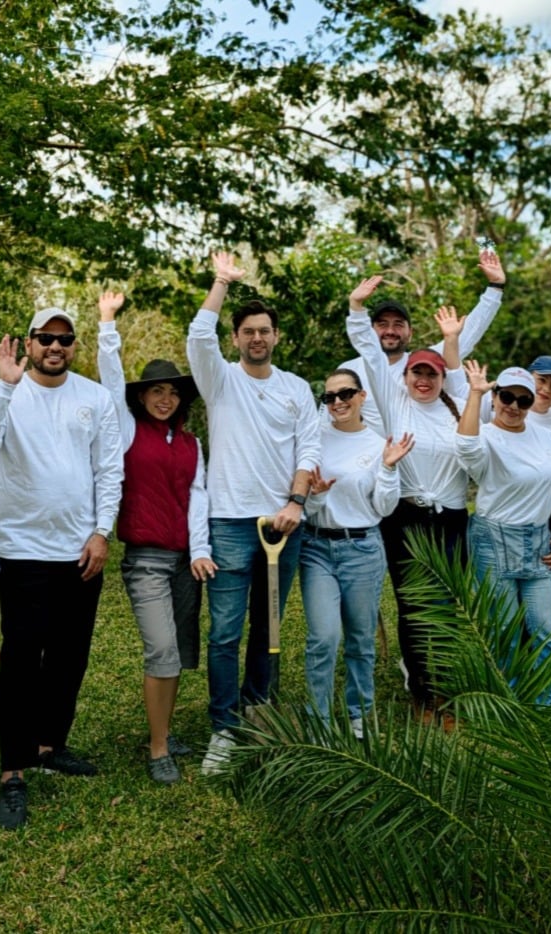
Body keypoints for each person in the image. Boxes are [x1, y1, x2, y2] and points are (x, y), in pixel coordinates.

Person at [0, 307, 123, 829]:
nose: (55, 346)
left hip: (82, 551)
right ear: (28, 343)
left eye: (64, 339)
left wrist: (102, 531)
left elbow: (109, 469)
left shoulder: (94, 398)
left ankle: (51, 745)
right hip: (22, 550)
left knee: (70, 656)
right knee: (22, 659)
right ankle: (13, 771)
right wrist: (5, 388)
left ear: (74, 345)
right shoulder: (3, 394)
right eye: (45, 338)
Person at [187, 251, 321, 775]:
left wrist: (295, 503)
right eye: (248, 331)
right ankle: (223, 727)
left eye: (265, 330)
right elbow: (199, 335)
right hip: (229, 524)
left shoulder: (294, 389)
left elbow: (308, 450)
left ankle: (258, 710)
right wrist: (221, 281)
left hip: (282, 526)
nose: (257, 338)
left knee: (269, 629)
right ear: (236, 338)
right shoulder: (219, 380)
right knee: (225, 631)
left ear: (276, 336)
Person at [96, 291, 217, 785]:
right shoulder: (127, 431)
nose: (164, 399)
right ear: (141, 398)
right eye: (155, 392)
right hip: (145, 560)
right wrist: (108, 323)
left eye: (171, 392)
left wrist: (202, 549)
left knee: (182, 653)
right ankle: (158, 747)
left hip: (187, 560)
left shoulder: (191, 443)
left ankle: (164, 729)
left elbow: (199, 496)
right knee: (161, 650)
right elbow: (108, 379)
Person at [347, 278, 473, 721]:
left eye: (431, 373)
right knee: (414, 608)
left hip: (453, 519)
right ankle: (422, 694)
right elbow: (368, 350)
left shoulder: (455, 405)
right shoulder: (393, 400)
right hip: (406, 517)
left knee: (448, 609)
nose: (423, 380)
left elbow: (460, 373)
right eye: (416, 372)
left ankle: (447, 693)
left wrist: (455, 337)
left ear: (441, 378)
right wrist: (357, 308)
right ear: (404, 377)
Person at [301, 368, 414, 737]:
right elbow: (308, 509)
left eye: (345, 393)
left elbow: (383, 507)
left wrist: (387, 467)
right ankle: (318, 720)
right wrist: (316, 494)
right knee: (323, 637)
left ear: (362, 396)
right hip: (317, 546)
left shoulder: (378, 444)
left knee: (361, 640)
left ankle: (359, 714)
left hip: (363, 549)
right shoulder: (313, 441)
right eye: (329, 397)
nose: (338, 402)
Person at [456, 362, 551, 704]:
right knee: (503, 630)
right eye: (507, 396)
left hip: (538, 541)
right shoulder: (486, 436)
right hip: (494, 540)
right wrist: (475, 394)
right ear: (496, 396)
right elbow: (466, 449)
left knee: (546, 630)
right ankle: (510, 701)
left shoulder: (548, 439)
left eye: (523, 400)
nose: (514, 406)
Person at [334, 248, 508, 436]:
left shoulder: (423, 362)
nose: (390, 331)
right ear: (370, 329)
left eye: (398, 324)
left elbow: (466, 336)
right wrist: (356, 306)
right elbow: (329, 417)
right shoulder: (349, 371)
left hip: (411, 457)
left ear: (410, 333)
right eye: (383, 324)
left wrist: (495, 288)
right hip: (365, 460)